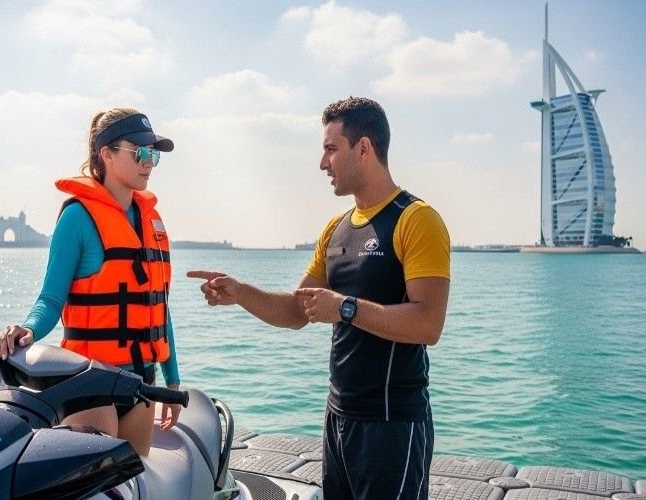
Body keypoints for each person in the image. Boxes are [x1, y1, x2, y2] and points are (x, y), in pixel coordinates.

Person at [188, 97, 450, 499]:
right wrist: (240, 293)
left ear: (363, 148)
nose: (322, 162)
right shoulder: (336, 229)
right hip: (339, 417)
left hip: (393, 424)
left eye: (330, 148)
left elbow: (428, 323)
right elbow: (298, 310)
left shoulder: (416, 219)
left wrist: (344, 308)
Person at [0, 107, 181, 457]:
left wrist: (172, 381)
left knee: (132, 490)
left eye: (153, 154)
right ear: (106, 154)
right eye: (140, 151)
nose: (149, 162)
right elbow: (51, 299)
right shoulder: (77, 218)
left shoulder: (152, 223)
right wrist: (27, 329)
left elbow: (158, 309)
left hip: (142, 384)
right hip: (89, 382)